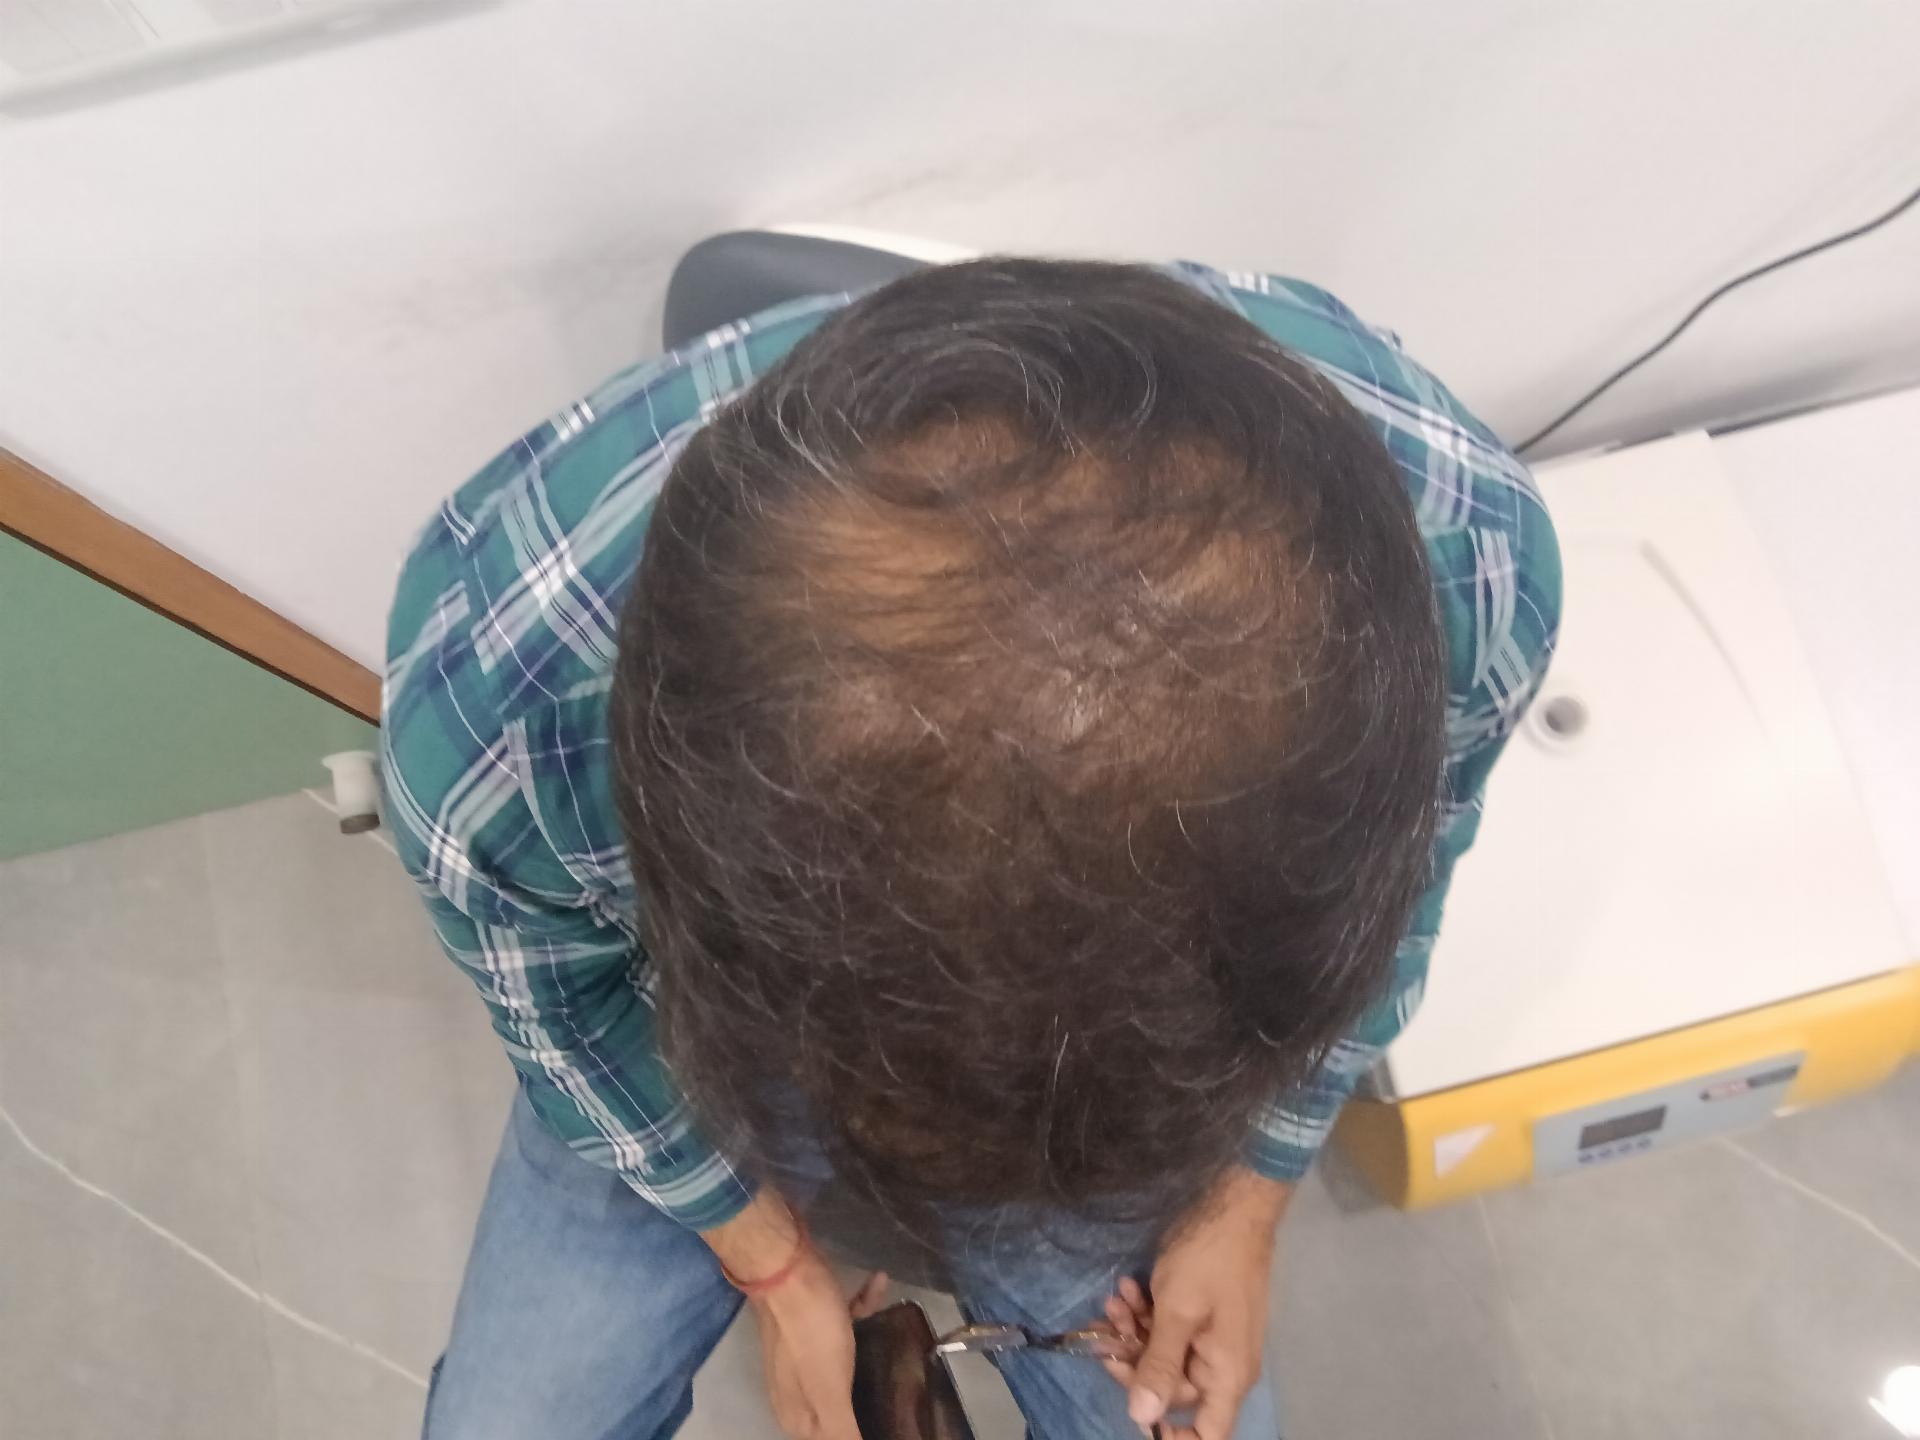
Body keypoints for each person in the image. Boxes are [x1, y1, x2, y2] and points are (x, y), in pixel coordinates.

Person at [383, 258, 1561, 1440]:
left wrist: (1245, 1195)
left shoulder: (1466, 559)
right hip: (670, 1018)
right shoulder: (502, 719)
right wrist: (771, 1261)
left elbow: (1403, 879)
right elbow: (569, 1008)